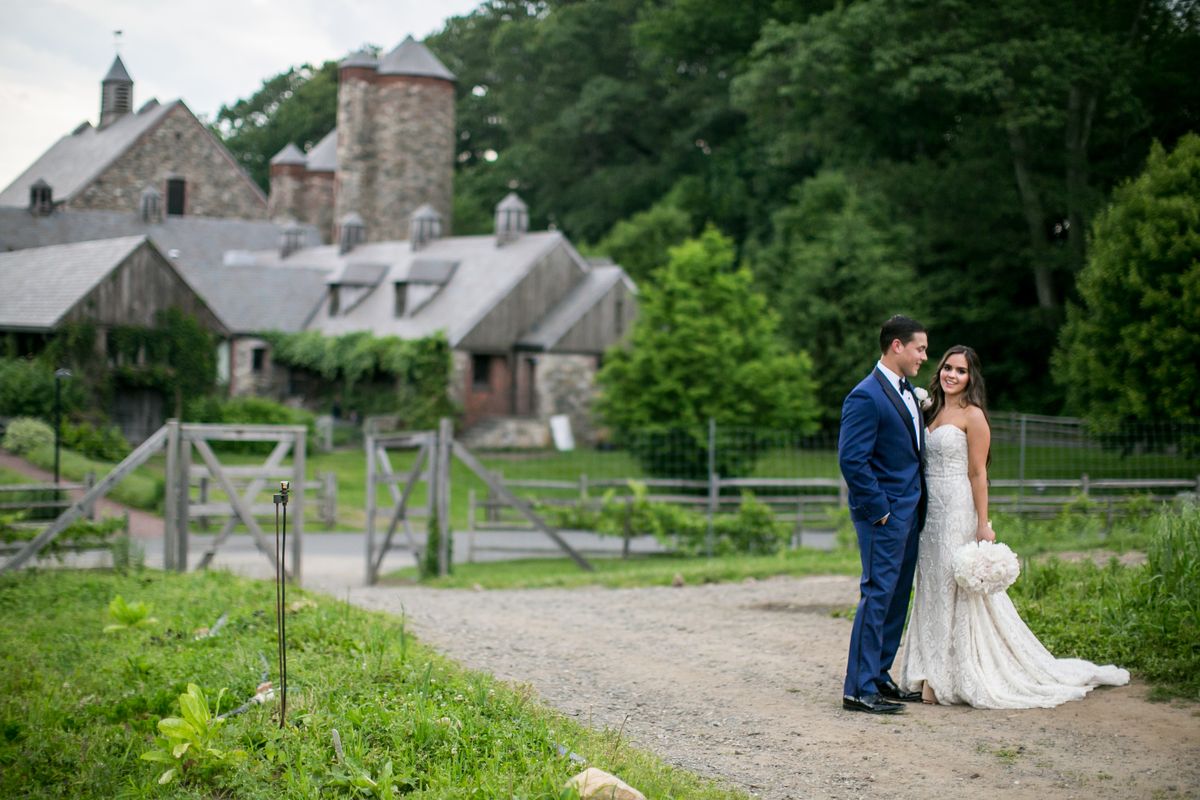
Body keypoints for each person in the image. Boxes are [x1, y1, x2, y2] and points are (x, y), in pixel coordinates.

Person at [899, 345, 1129, 708]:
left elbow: (979, 473)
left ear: (971, 378)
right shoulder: (929, 409)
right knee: (930, 587)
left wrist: (983, 524)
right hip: (929, 514)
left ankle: (940, 678)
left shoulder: (974, 416)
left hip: (957, 509)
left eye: (961, 371)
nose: (952, 375)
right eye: (948, 368)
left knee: (951, 587)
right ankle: (925, 669)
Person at [838, 315, 929, 714]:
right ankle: (858, 688)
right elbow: (852, 460)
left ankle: (878, 675)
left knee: (896, 596)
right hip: (884, 517)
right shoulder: (866, 396)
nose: (923, 356)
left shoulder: (907, 392)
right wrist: (880, 512)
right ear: (897, 346)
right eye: (919, 349)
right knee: (877, 594)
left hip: (910, 513)